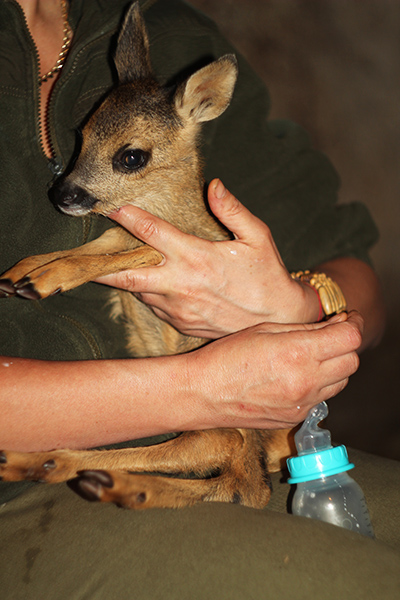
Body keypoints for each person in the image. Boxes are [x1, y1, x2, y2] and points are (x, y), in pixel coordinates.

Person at [0, 1, 398, 598]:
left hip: (248, 440)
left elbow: (350, 262)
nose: (73, 185)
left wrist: (301, 309)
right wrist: (197, 388)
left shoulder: (169, 34)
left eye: (128, 160)